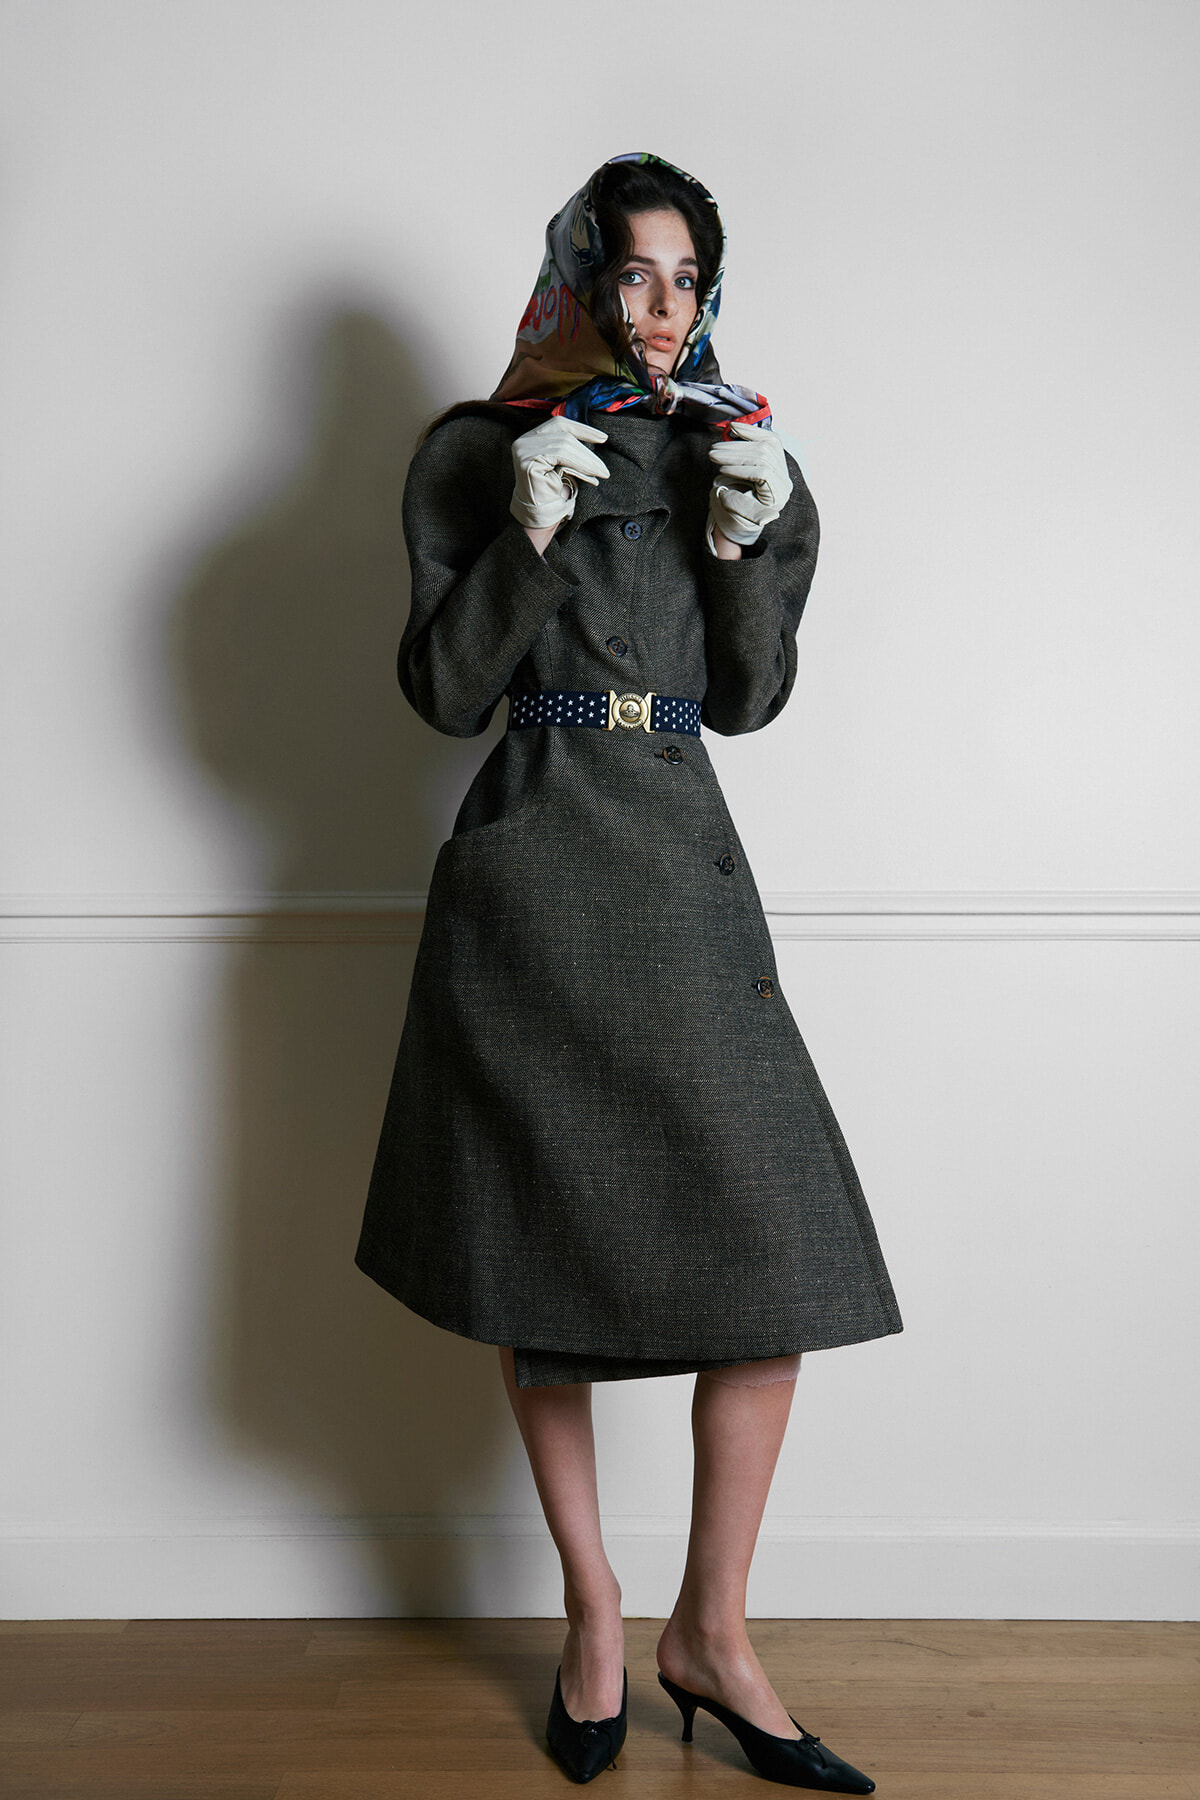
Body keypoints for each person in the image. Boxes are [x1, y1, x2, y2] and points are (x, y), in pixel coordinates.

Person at [355, 153, 901, 1791]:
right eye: (631, 274)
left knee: (777, 1256)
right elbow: (445, 696)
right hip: (530, 871)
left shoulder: (740, 451)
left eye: (684, 280)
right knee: (545, 1270)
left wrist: (753, 540)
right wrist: (526, 524)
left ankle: (710, 1629)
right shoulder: (476, 452)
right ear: (576, 279)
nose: (658, 308)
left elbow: (746, 701)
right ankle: (597, 1613)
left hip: (681, 858)